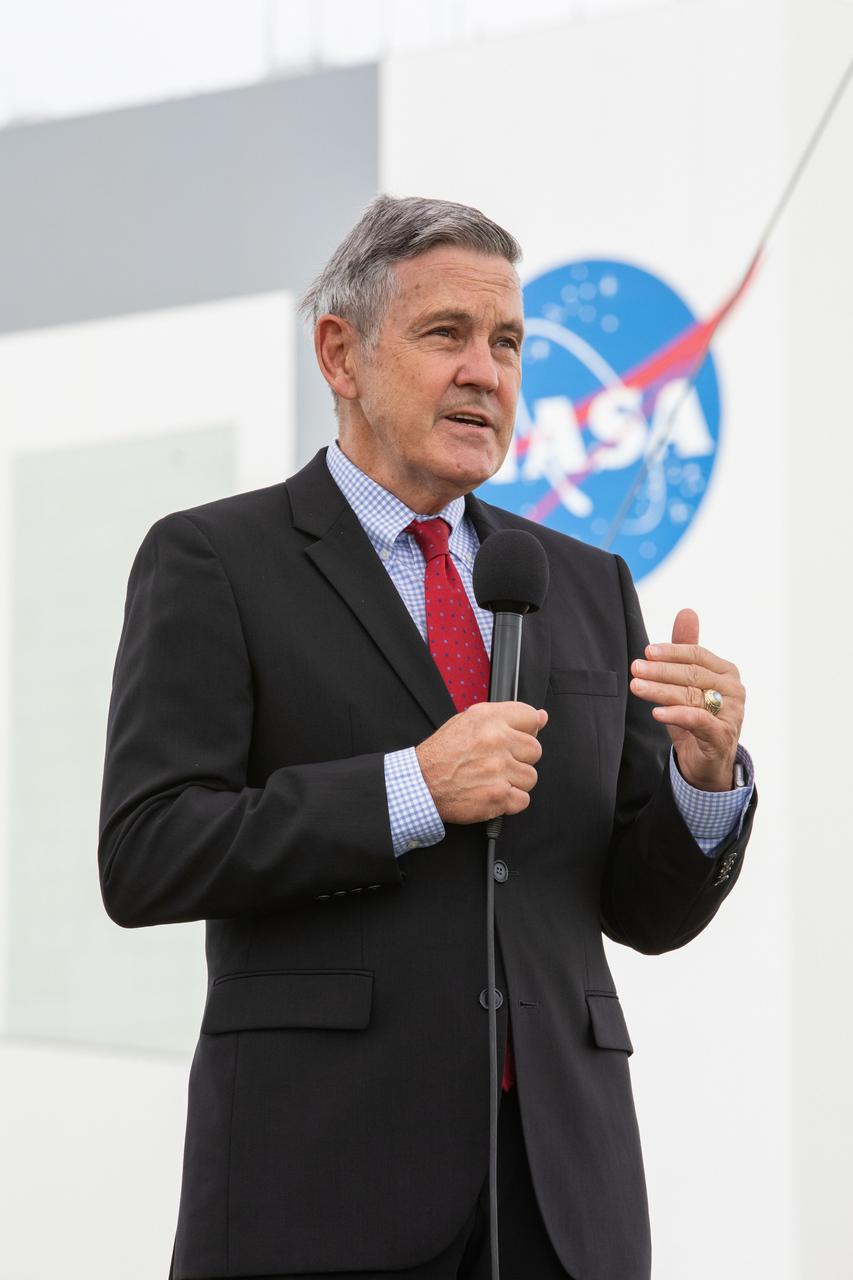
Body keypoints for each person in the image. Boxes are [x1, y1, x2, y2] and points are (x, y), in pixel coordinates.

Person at [99, 195, 755, 1280]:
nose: (485, 374)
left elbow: (644, 911)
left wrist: (702, 782)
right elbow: (148, 848)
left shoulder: (583, 582)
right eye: (445, 334)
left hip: (560, 1199)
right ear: (340, 354)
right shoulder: (214, 560)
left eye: (506, 344)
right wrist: (411, 787)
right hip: (318, 1188)